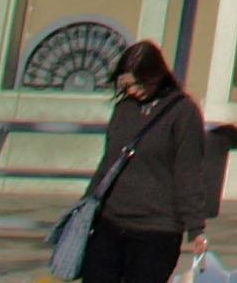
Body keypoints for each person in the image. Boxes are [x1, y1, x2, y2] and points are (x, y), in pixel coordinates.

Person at [81, 39, 213, 283]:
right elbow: (108, 162)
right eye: (126, 84)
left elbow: (189, 172)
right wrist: (84, 208)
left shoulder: (183, 112)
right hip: (109, 223)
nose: (132, 90)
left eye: (139, 83)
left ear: (157, 74)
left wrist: (195, 227)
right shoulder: (124, 109)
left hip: (156, 231)